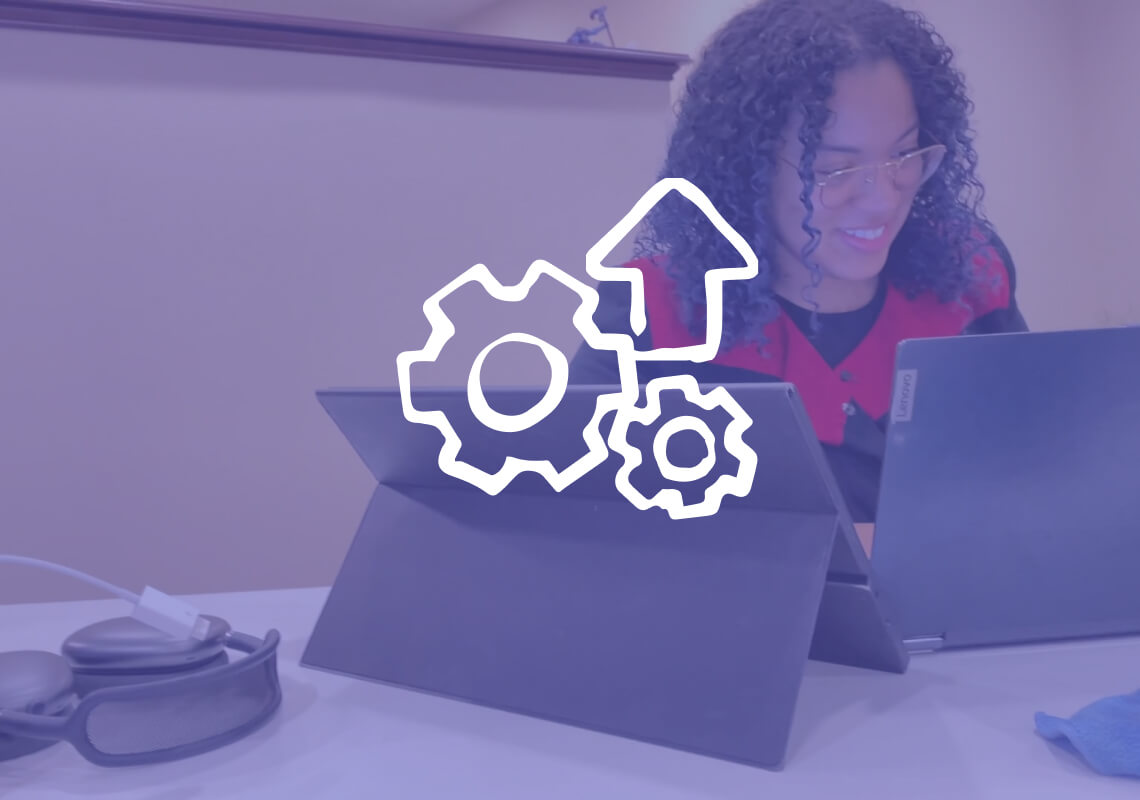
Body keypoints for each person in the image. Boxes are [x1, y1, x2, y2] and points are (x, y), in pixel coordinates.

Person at [567, 0, 1028, 535]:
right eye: (835, 169)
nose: (882, 199)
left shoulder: (968, 274)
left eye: (904, 156)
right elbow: (584, 522)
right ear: (749, 168)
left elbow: (1033, 467)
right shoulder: (653, 312)